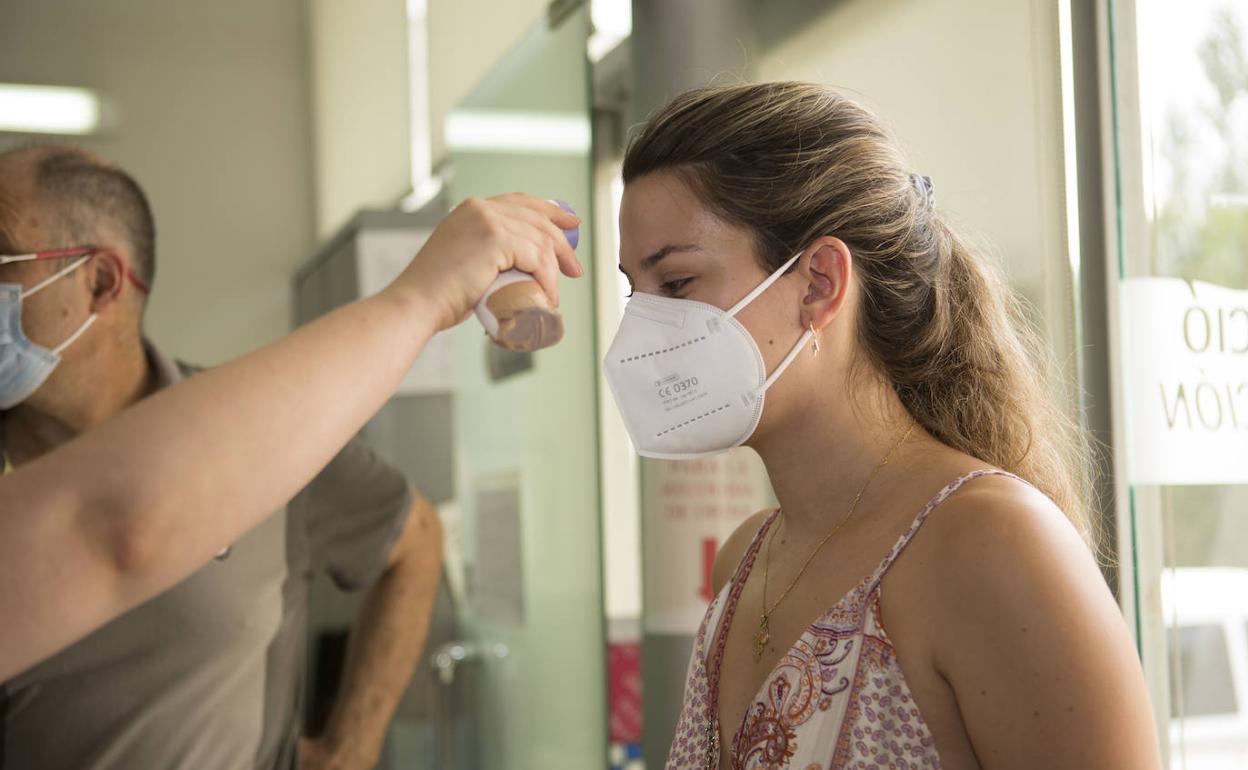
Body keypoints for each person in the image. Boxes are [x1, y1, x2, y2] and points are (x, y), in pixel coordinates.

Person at [604, 82, 1162, 768]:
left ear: (819, 284)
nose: (645, 331)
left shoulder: (990, 543)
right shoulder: (745, 560)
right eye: (636, 290)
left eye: (679, 284)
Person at [0, 164, 580, 745]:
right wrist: (420, 296)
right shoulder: (192, 468)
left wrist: (351, 746)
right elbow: (118, 527)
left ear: (101, 281)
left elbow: (417, 537)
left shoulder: (264, 443)